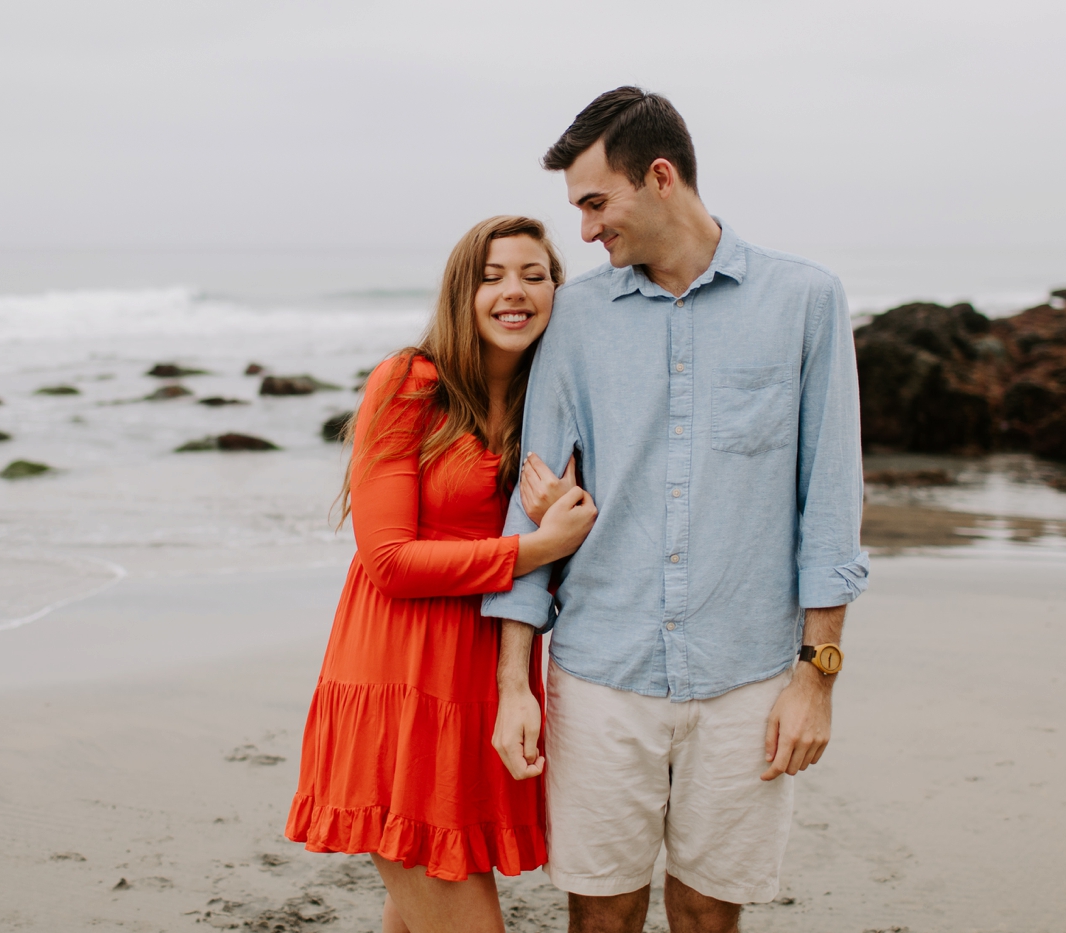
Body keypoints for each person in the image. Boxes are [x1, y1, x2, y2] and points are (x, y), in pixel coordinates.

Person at [486, 88, 869, 933]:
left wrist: (817, 678)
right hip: (600, 672)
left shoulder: (804, 299)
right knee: (603, 912)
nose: (585, 231)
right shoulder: (577, 316)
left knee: (706, 913)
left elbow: (831, 505)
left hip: (748, 674)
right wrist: (515, 684)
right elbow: (531, 513)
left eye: (595, 202)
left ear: (660, 177)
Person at [286, 215, 598, 933]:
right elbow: (388, 561)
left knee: (418, 909)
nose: (512, 292)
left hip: (477, 690)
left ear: (557, 291)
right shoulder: (409, 383)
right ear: (462, 293)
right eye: (491, 277)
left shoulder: (547, 406)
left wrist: (564, 524)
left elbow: (580, 539)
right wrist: (534, 548)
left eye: (533, 275)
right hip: (396, 684)